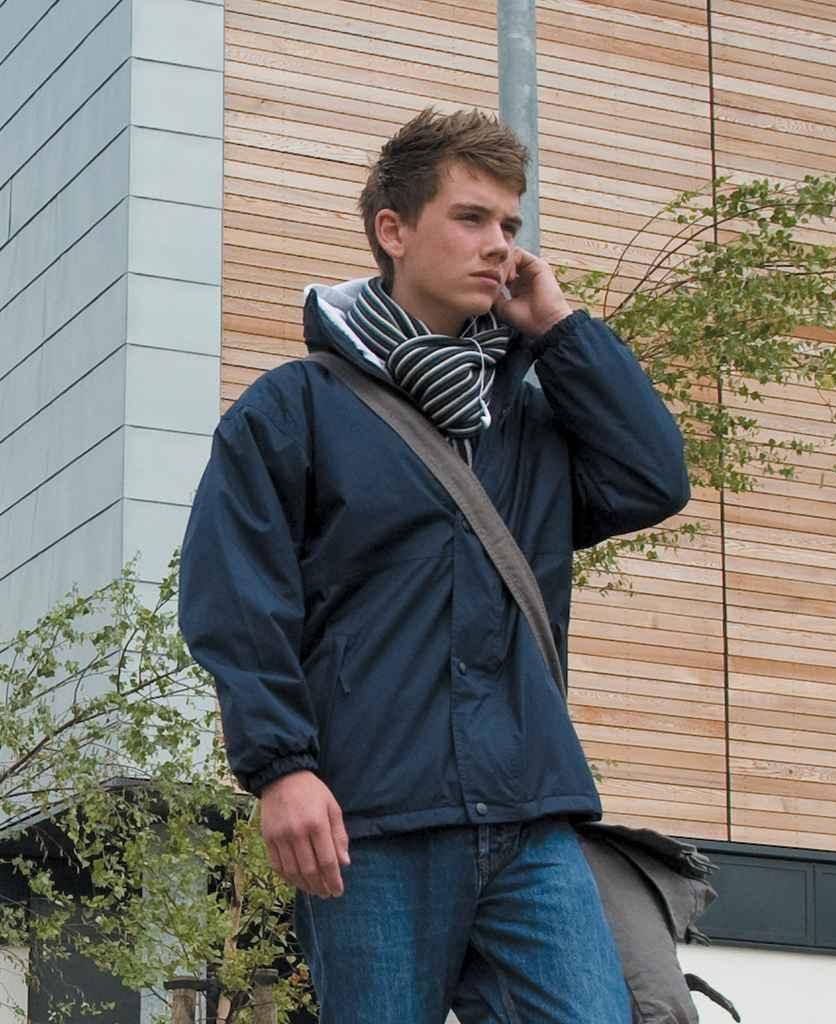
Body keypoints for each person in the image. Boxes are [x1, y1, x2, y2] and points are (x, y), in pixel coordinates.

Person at [179, 107, 690, 1023]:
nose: (499, 245)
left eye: (510, 225)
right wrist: (281, 768)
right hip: (373, 822)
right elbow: (235, 598)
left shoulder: (529, 419)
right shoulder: (294, 410)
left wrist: (560, 327)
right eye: (471, 217)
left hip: (530, 813)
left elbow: (653, 478)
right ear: (394, 229)